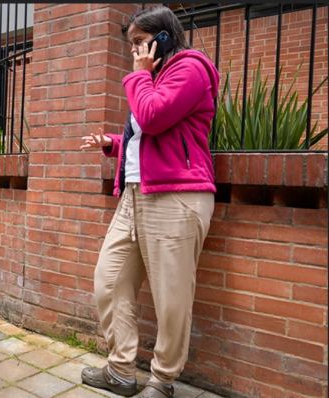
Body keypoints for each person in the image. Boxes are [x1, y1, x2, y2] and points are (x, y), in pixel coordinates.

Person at [78, 6, 219, 398]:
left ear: (164, 38)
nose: (135, 51)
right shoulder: (152, 79)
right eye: (131, 45)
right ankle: (121, 370)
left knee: (172, 296)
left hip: (177, 195)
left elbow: (154, 117)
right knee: (109, 280)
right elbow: (150, 136)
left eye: (140, 42)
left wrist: (140, 75)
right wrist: (115, 144)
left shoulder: (191, 68)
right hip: (135, 194)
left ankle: (163, 381)